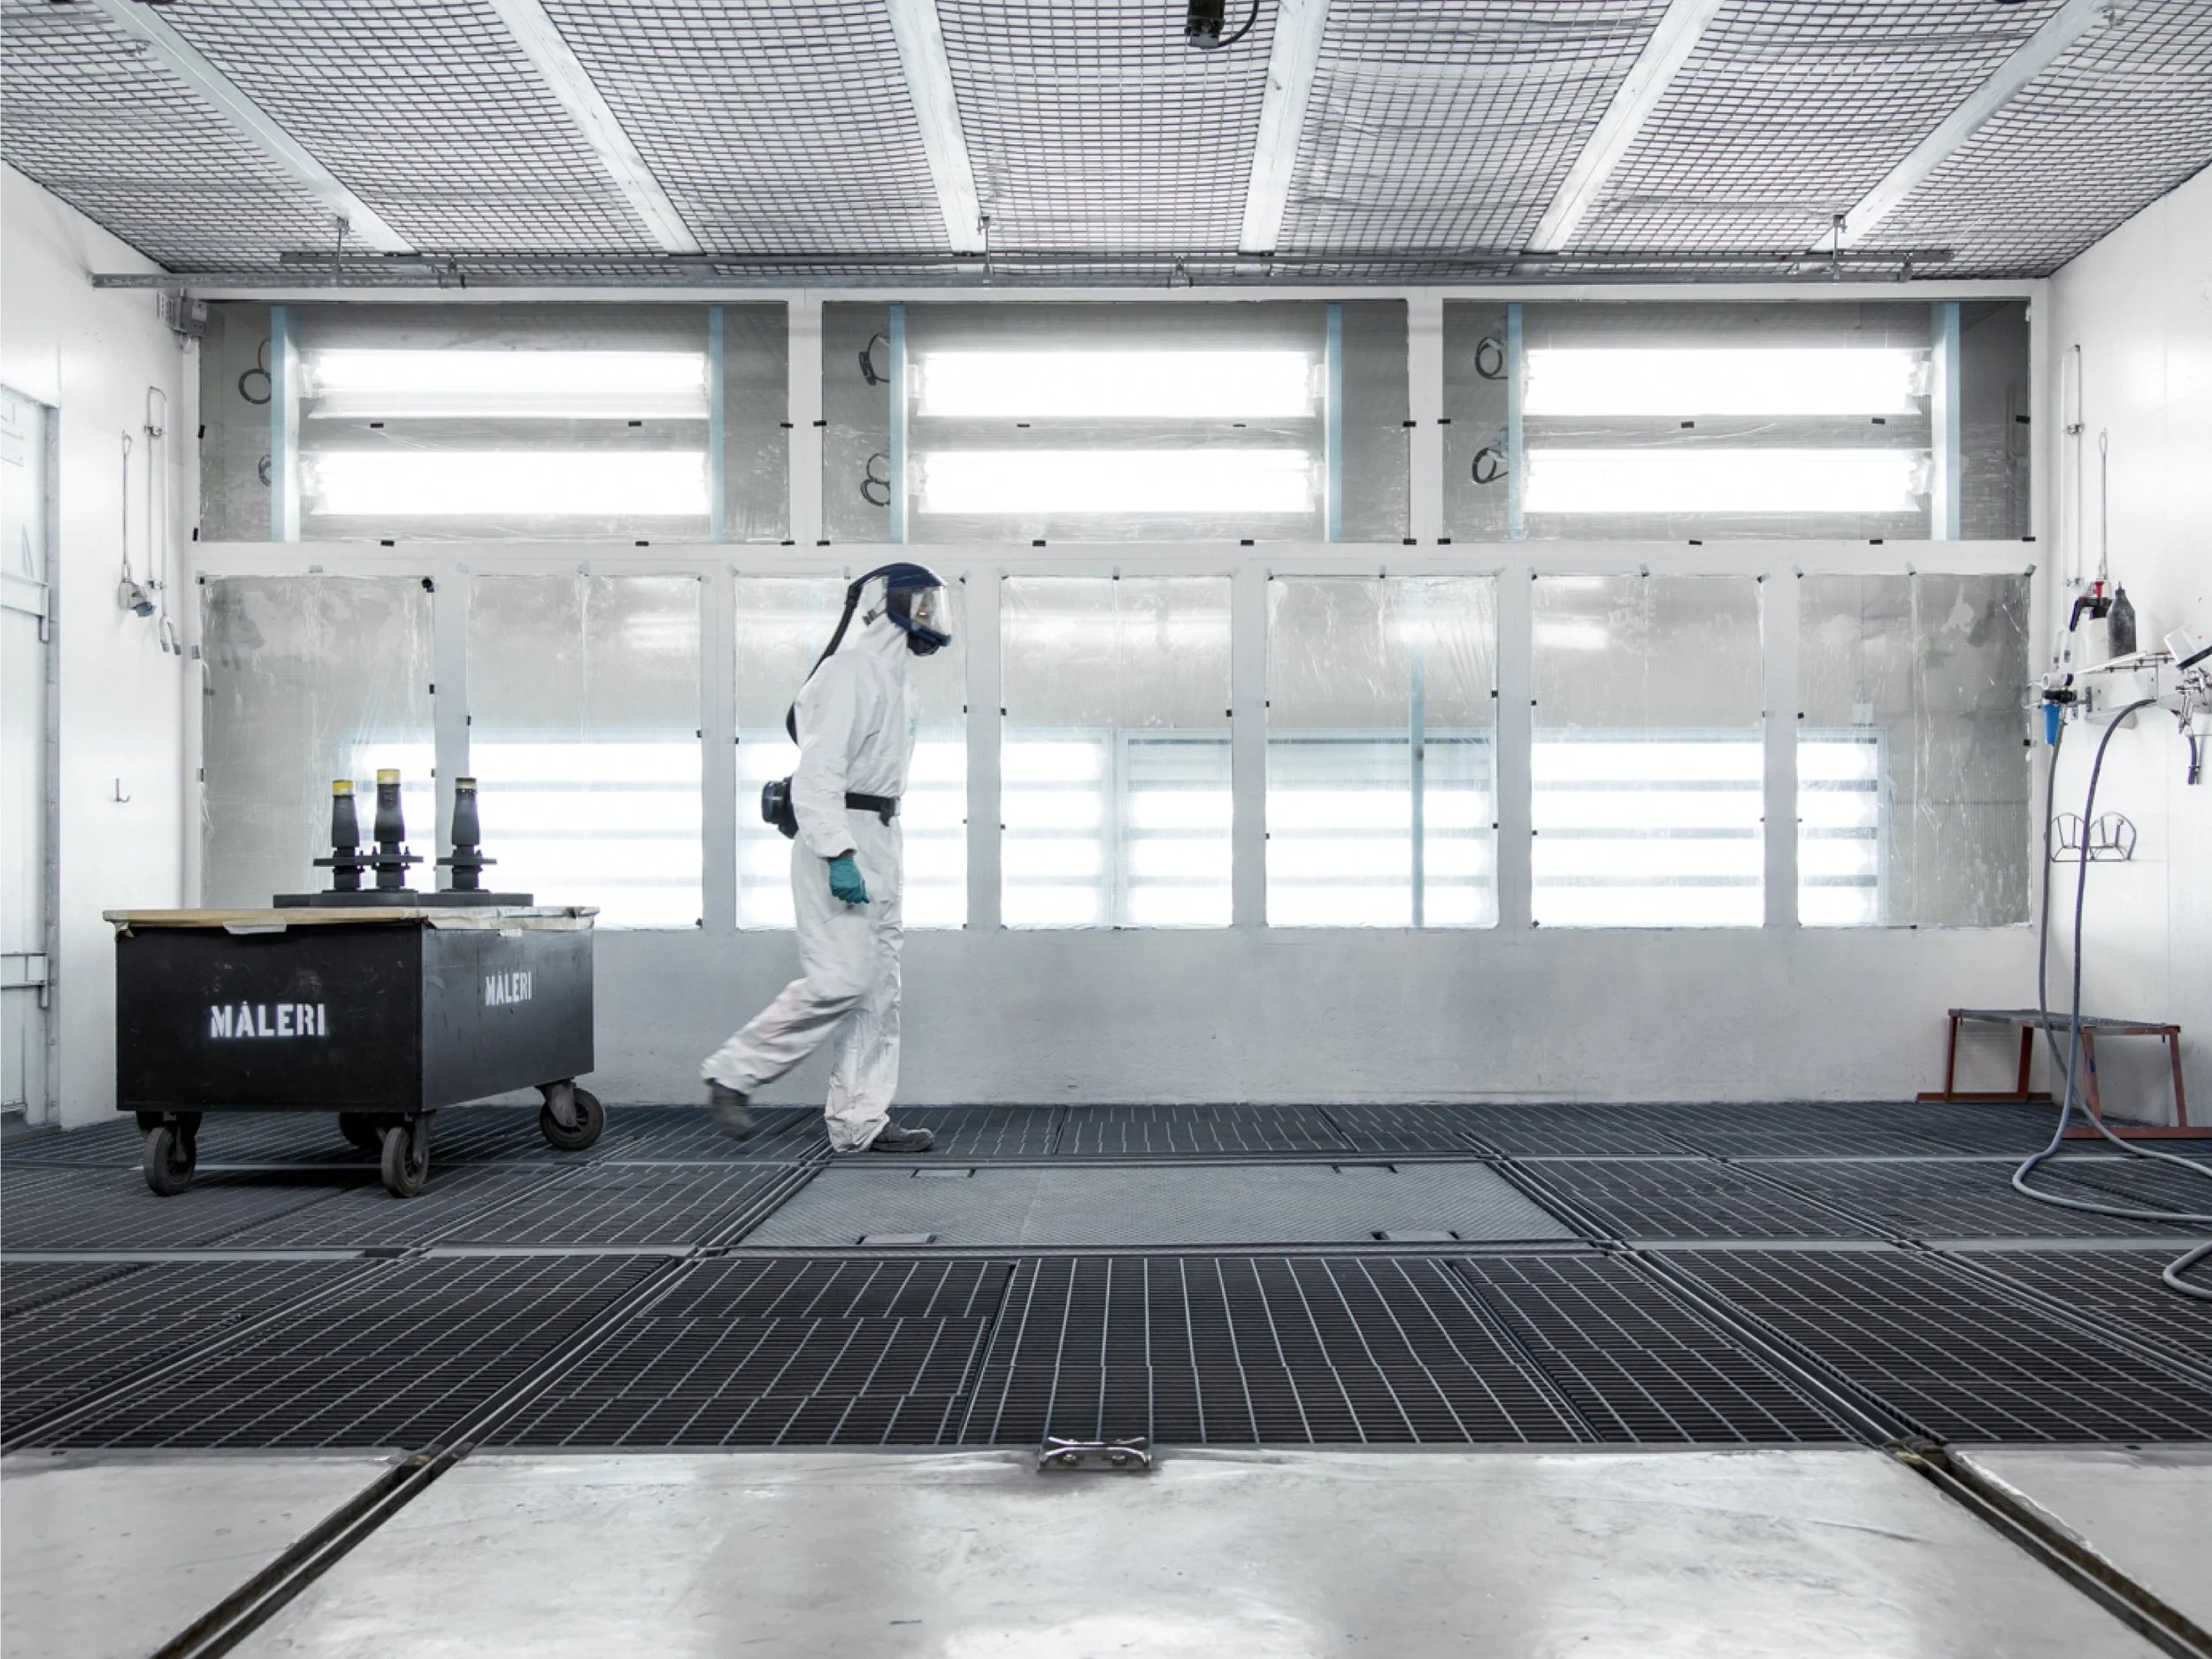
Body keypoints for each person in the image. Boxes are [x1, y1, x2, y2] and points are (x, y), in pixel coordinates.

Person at [700, 565, 952, 1154]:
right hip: (841, 834)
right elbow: (818, 774)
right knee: (841, 977)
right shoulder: (848, 673)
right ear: (881, 605)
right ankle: (734, 1073)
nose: (930, 616)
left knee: (878, 991)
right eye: (919, 603)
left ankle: (860, 1119)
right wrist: (837, 852)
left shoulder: (900, 686)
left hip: (883, 834)